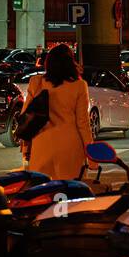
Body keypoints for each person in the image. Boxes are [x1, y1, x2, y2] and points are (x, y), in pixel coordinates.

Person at [19, 43, 93, 180]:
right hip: (70, 146)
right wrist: (92, 156)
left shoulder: (36, 82)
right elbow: (83, 123)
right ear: (71, 63)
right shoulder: (79, 86)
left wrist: (26, 149)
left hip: (42, 145)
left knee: (43, 194)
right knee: (71, 194)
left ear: (49, 62)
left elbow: (26, 117)